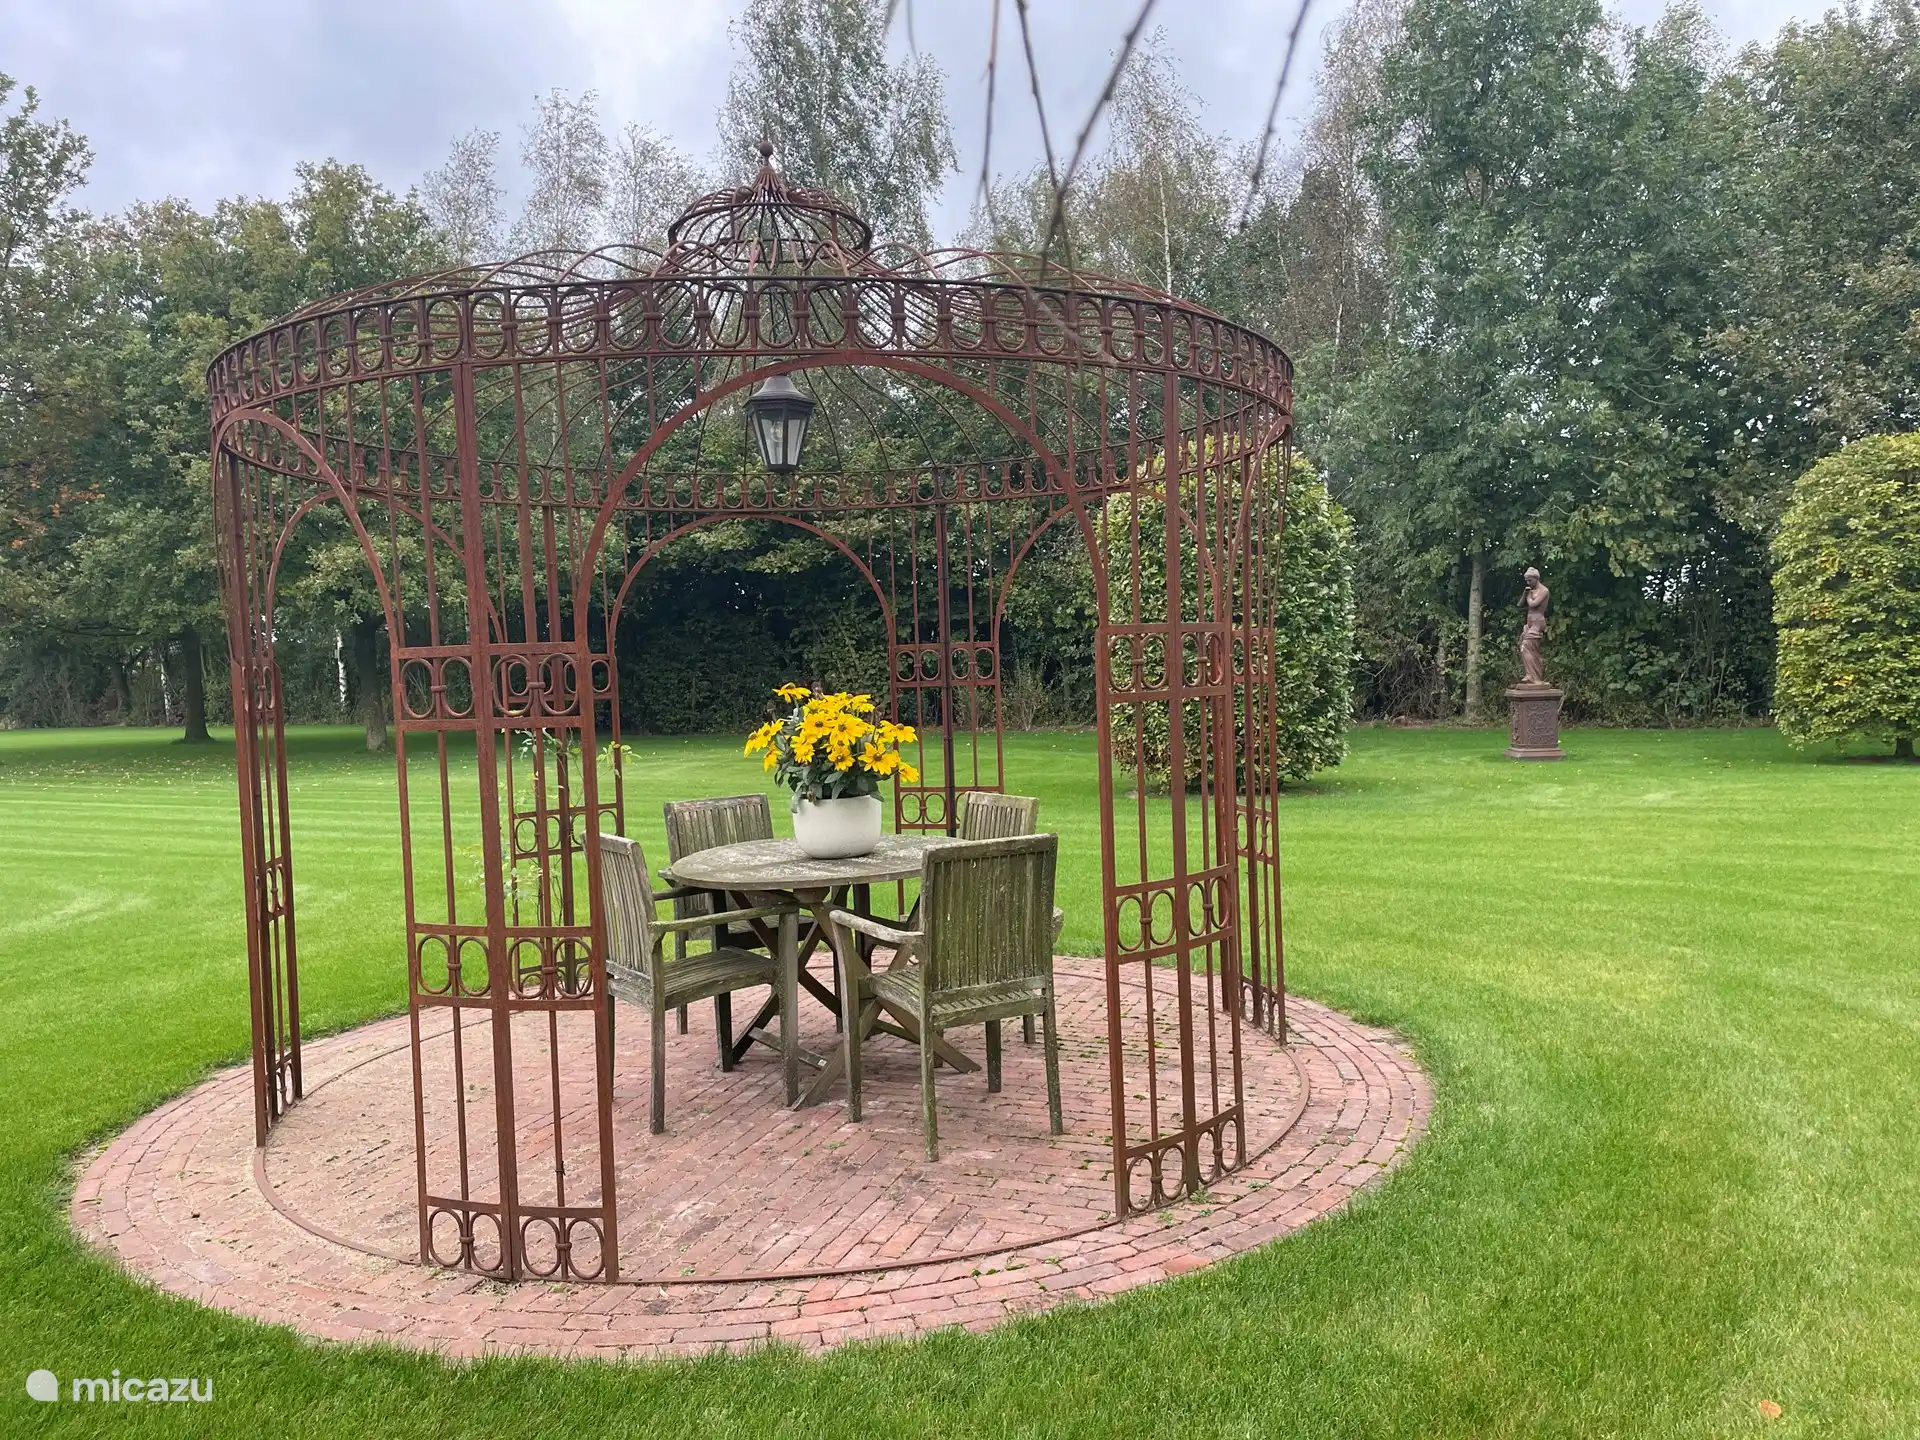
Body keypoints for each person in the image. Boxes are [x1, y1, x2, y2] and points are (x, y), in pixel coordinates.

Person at [1519, 568, 1549, 685]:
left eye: (1530, 580)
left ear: (1536, 579)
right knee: (1527, 648)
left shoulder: (1544, 591)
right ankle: (1532, 675)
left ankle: (1532, 675)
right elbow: (1520, 604)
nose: (1528, 583)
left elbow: (1533, 603)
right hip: (1529, 623)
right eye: (1526, 581)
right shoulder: (1530, 591)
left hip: (1538, 622)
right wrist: (1525, 594)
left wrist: (1528, 595)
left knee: (1527, 646)